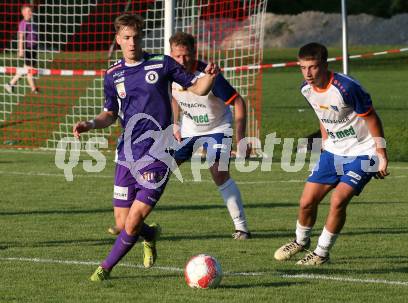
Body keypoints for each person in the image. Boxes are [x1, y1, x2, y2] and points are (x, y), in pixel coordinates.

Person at [73, 14, 219, 281]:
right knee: (122, 223)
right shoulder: (113, 75)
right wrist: (91, 123)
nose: (132, 43)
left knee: (132, 220)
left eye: (136, 37)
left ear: (142, 38)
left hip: (158, 155)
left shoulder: (162, 63)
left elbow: (197, 88)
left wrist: (208, 77)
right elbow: (110, 113)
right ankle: (149, 235)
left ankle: (104, 268)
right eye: (126, 38)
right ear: (118, 40)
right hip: (126, 155)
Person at [274, 42, 389, 265]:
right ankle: (300, 241)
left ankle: (321, 253)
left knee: (338, 200)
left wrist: (381, 153)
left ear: (325, 65)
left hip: (363, 152)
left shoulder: (346, 87)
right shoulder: (306, 89)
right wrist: (325, 141)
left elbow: (372, 118)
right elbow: (321, 113)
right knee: (307, 201)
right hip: (333, 152)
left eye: (313, 67)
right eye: (303, 67)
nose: (307, 73)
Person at [169, 32, 251, 240]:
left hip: (218, 127)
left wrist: (241, 139)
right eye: (177, 56)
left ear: (194, 53)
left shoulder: (209, 74)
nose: (182, 61)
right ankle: (132, 221)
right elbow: (174, 97)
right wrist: (174, 124)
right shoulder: (170, 72)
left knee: (218, 171)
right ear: (171, 54)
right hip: (189, 130)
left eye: (186, 55)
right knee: (160, 168)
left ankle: (242, 228)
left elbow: (238, 102)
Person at [4, 4, 39, 94]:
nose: (30, 13)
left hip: (33, 48)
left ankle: (10, 84)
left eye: (31, 11)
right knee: (29, 69)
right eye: (28, 11)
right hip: (28, 49)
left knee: (26, 69)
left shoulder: (32, 22)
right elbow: (21, 37)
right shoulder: (23, 23)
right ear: (23, 13)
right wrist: (20, 49)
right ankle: (34, 89)